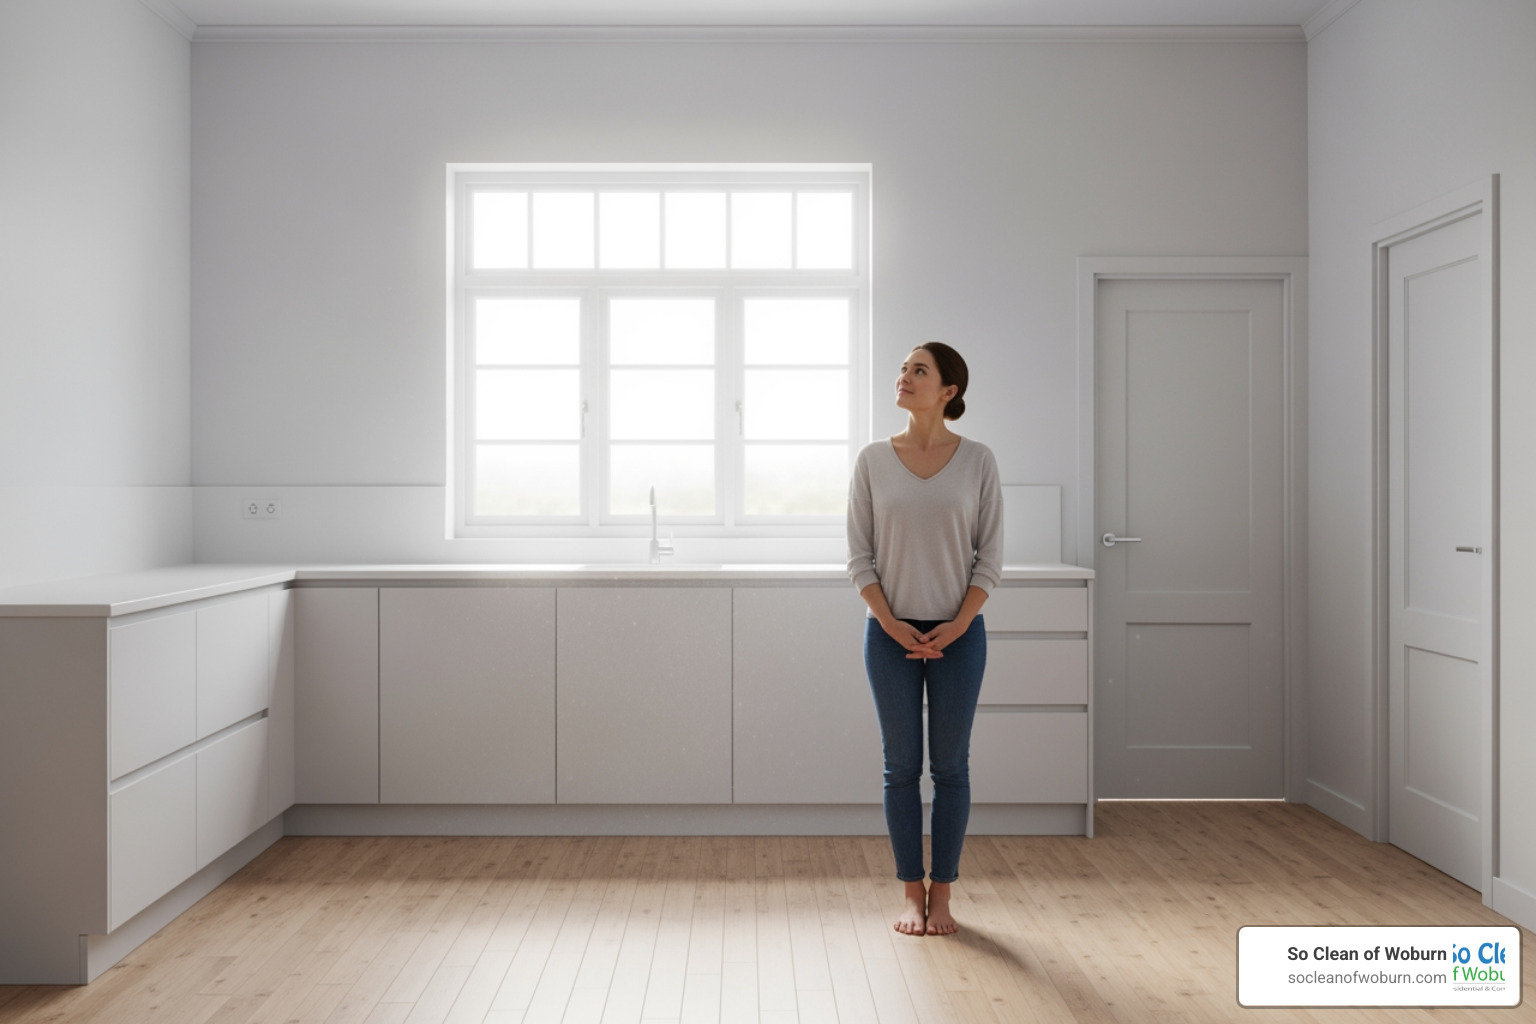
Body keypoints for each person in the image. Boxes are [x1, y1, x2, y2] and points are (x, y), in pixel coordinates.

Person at [846, 342, 1003, 936]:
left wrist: (958, 624)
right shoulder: (872, 460)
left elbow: (990, 557)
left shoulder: (978, 461)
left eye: (919, 370)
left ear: (948, 391)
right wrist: (889, 622)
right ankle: (912, 893)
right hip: (888, 634)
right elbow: (859, 557)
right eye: (903, 369)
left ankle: (944, 896)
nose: (904, 377)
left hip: (959, 635)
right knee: (901, 769)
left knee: (952, 769)